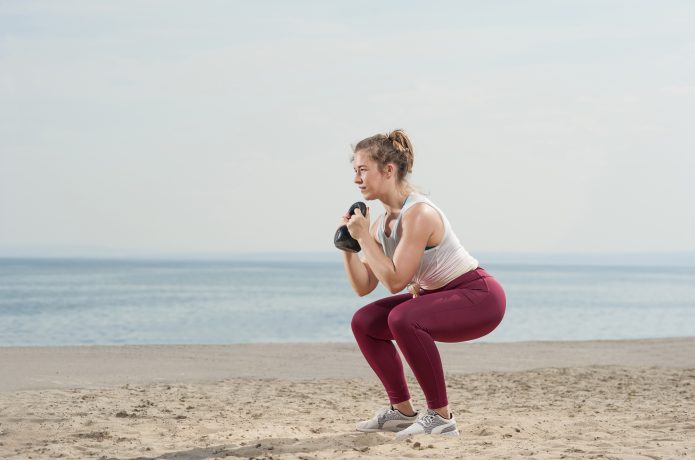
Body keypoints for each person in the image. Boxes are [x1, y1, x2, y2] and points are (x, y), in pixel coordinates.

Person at [339, 129, 506, 439]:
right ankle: (401, 412)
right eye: (355, 171)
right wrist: (350, 247)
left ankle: (441, 417)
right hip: (438, 298)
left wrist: (364, 237)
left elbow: (395, 281)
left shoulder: (419, 214)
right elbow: (364, 286)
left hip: (479, 297)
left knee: (402, 318)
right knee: (365, 321)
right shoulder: (380, 224)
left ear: (388, 170)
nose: (356, 179)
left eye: (363, 170)